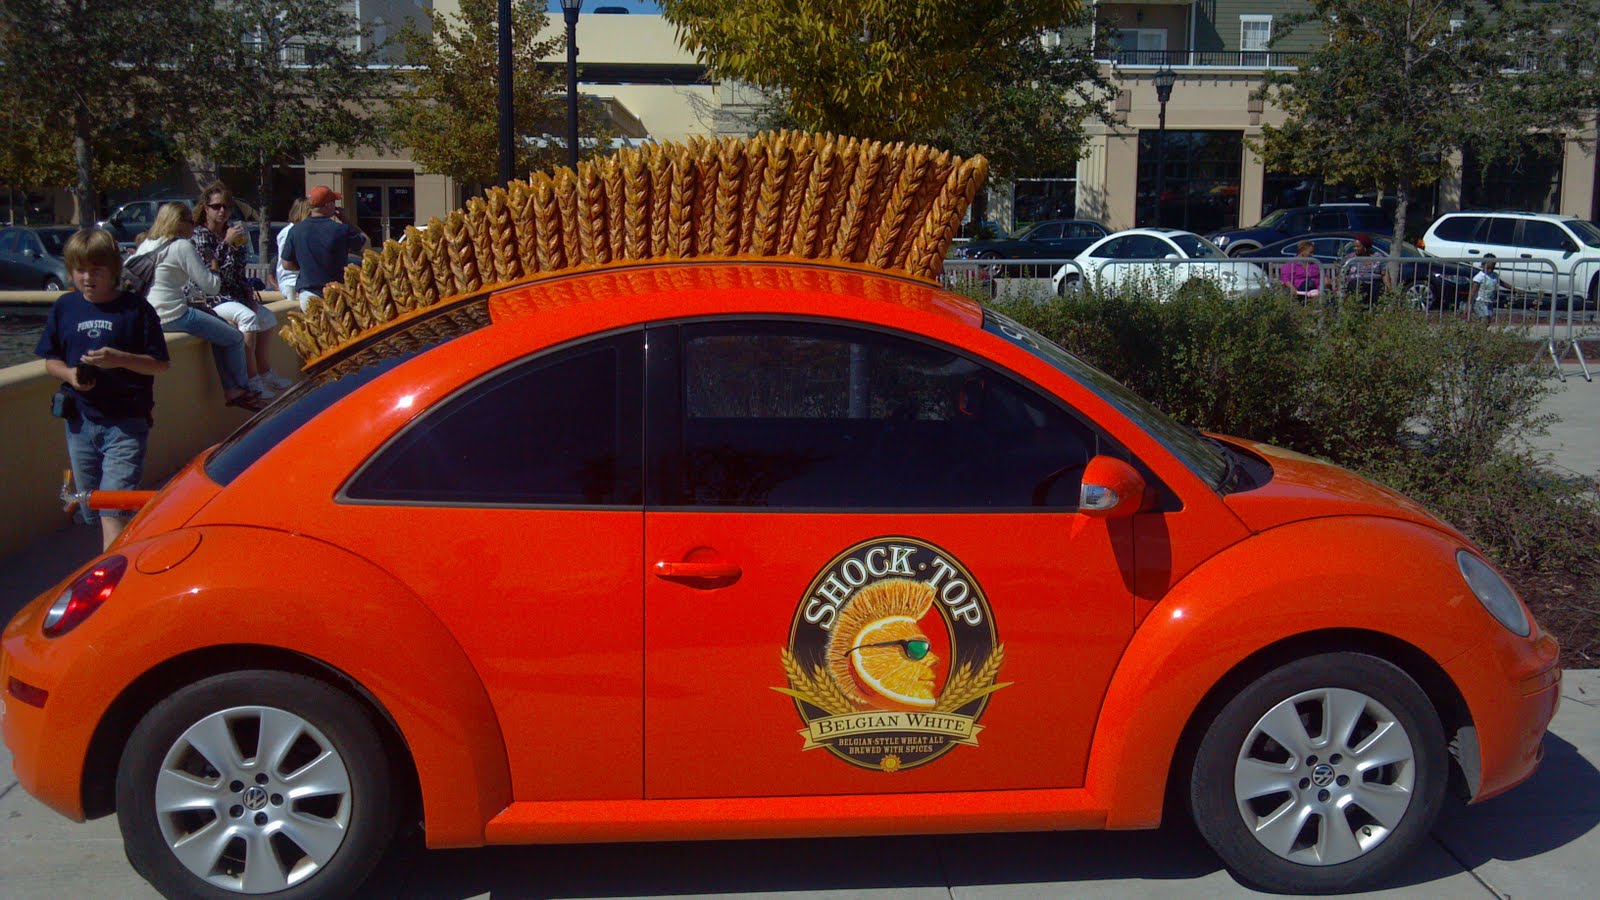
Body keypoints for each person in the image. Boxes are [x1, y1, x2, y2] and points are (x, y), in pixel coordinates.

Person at [35, 228, 171, 550]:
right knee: (91, 507)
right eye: (80, 270)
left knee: (112, 506)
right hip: (80, 423)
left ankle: (111, 580)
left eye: (96, 270)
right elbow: (50, 360)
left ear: (113, 270)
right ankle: (126, 550)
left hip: (125, 424)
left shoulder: (136, 310)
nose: (87, 278)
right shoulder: (64, 308)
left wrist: (118, 359)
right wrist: (70, 375)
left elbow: (160, 364)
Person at [135, 203, 267, 413]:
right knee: (233, 337)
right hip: (173, 315)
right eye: (190, 222)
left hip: (149, 316)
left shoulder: (148, 244)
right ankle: (241, 390)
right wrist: (213, 263)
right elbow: (212, 287)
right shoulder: (181, 246)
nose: (193, 227)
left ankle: (233, 389)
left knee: (220, 328)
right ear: (179, 224)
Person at [192, 181, 293, 398]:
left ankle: (265, 372)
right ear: (205, 208)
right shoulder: (200, 235)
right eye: (216, 206)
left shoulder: (232, 231)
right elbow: (210, 268)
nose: (222, 211)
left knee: (267, 318)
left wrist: (248, 292)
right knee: (247, 318)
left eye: (226, 206)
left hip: (234, 294)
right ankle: (251, 379)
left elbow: (238, 269)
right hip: (212, 297)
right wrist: (226, 244)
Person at [281, 184, 367, 304]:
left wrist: (308, 267)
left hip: (308, 294)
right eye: (333, 202)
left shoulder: (296, 230)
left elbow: (286, 264)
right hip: (336, 293)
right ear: (328, 205)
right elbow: (366, 245)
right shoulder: (340, 230)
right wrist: (347, 220)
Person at [276, 197, 312, 310]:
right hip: (291, 281)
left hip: (304, 280)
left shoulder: (303, 231)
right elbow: (286, 263)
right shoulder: (288, 232)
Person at [1342, 233, 1388, 304]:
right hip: (1357, 284)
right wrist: (1341, 291)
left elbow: (1385, 274)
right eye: (1354, 247)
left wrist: (1389, 289)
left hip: (1374, 284)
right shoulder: (1350, 259)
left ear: (1365, 247)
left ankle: (1373, 308)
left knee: (1376, 287)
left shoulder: (1378, 257)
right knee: (1359, 287)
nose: (1355, 249)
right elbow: (1342, 275)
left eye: (1358, 246)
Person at [1471, 259, 1500, 323]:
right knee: (1485, 320)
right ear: (1483, 266)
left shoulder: (1494, 275)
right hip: (1480, 301)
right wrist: (1469, 305)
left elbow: (1502, 282)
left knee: (1488, 321)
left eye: (1492, 268)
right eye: (1488, 268)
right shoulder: (1479, 277)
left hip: (1489, 302)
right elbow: (1473, 291)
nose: (1490, 270)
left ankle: (1480, 332)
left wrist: (1513, 289)